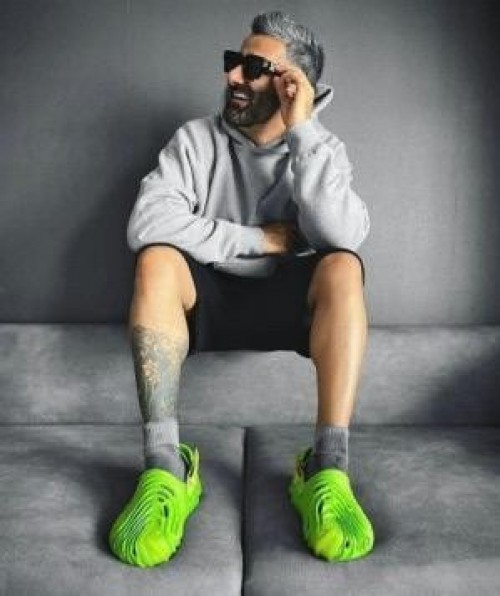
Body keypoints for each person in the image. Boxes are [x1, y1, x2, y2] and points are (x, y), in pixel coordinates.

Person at [108, 10, 374, 568]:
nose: (233, 76)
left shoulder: (322, 149)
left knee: (344, 267)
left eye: (254, 68)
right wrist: (260, 239)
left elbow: (342, 236)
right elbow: (147, 224)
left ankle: (327, 469)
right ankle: (166, 470)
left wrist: (303, 131)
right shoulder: (195, 140)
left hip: (290, 305)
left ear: (293, 85)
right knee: (156, 259)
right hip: (209, 301)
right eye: (234, 62)